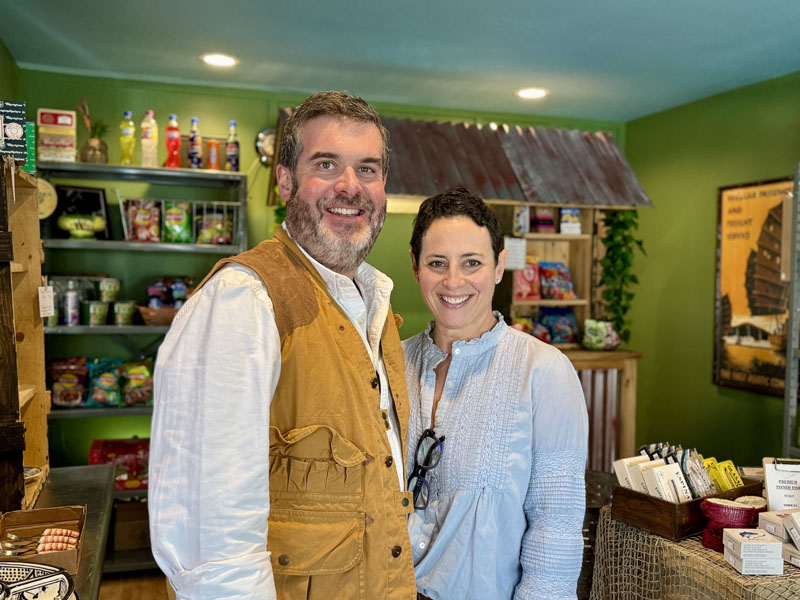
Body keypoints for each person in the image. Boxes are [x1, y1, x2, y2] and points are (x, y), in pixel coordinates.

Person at [149, 91, 417, 600]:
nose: (349, 186)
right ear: (286, 180)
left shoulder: (375, 302)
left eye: (368, 169)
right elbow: (210, 534)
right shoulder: (243, 298)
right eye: (326, 164)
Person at [402, 187, 589, 600]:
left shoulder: (544, 372)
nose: (454, 281)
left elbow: (555, 525)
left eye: (472, 263)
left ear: (500, 265)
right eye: (437, 263)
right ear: (415, 267)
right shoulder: (391, 365)